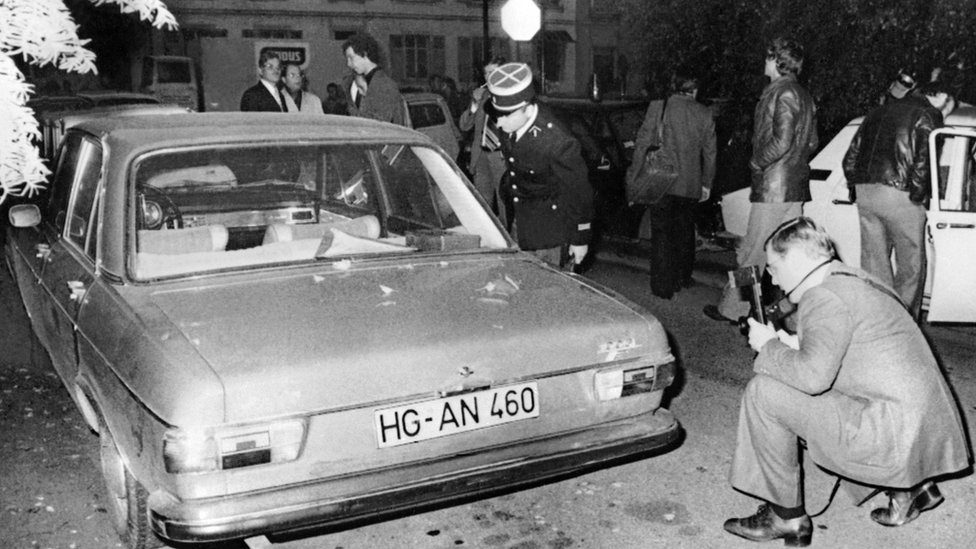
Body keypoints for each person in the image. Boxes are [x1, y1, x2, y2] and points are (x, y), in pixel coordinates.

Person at [724, 216, 969, 547]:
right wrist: (791, 344)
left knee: (764, 393)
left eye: (774, 267)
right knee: (797, 380)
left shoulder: (823, 297)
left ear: (795, 260)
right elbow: (854, 352)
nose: (773, 277)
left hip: (889, 435)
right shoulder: (855, 280)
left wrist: (768, 346)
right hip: (918, 432)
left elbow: (811, 378)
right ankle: (909, 489)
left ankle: (785, 517)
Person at [704, 37, 818, 323]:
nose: (764, 62)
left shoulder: (782, 92)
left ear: (777, 61)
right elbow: (812, 142)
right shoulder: (803, 94)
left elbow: (782, 141)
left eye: (768, 57)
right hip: (794, 187)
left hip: (773, 188)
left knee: (751, 252)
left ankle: (734, 309)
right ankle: (794, 316)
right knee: (791, 253)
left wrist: (757, 162)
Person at [842, 81, 952, 319]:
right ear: (942, 96)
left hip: (866, 192)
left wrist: (856, 188)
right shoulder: (928, 114)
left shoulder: (877, 112)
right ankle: (903, 323)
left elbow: (850, 158)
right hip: (900, 194)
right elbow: (925, 159)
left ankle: (877, 319)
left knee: (874, 263)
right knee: (910, 265)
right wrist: (917, 196)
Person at [488, 62, 593, 270]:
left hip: (552, 234)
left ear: (527, 108)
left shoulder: (557, 140)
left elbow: (579, 193)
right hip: (521, 223)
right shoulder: (509, 122)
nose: (499, 123)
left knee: (549, 288)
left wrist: (580, 239)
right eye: (497, 114)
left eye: (506, 116)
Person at [628, 69, 716, 298]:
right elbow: (710, 153)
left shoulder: (659, 107)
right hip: (690, 184)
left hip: (661, 181)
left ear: (675, 86)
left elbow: (642, 142)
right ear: (694, 89)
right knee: (685, 232)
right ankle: (682, 277)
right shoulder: (705, 113)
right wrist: (706, 183)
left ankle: (662, 286)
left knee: (662, 235)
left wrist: (635, 175)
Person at [459, 56, 507, 223]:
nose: (489, 76)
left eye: (494, 72)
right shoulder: (482, 95)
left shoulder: (511, 95)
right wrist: (474, 103)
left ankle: (508, 236)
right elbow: (465, 125)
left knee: (505, 204)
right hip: (481, 155)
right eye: (486, 73)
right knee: (482, 203)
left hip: (502, 156)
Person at [341, 32, 405, 125]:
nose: (348, 64)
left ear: (364, 53)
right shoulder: (358, 81)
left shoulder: (385, 85)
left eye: (351, 58)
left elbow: (379, 123)